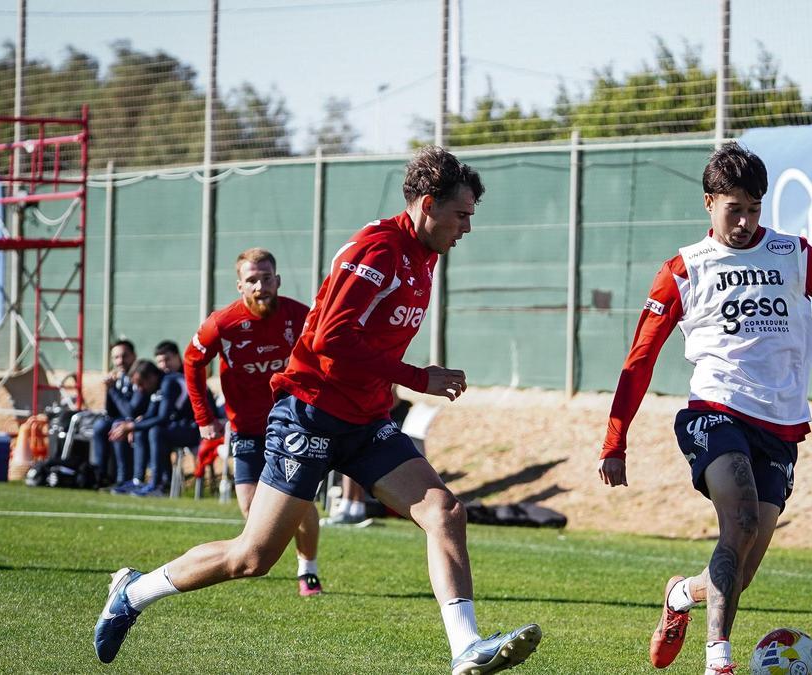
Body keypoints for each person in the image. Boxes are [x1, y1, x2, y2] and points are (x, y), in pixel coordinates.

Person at [95, 146, 542, 674]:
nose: (467, 227)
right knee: (253, 558)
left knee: (444, 512)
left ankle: (464, 648)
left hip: (365, 419)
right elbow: (331, 339)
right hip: (310, 413)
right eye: (462, 214)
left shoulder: (424, 254)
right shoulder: (377, 251)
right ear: (428, 204)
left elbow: (365, 341)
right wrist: (420, 377)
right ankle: (132, 592)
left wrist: (398, 382)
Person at [597, 143, 812, 675]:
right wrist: (616, 441)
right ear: (709, 202)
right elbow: (640, 359)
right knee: (741, 518)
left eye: (755, 208)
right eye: (735, 209)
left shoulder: (792, 254)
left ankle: (681, 594)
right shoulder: (684, 269)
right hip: (714, 411)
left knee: (740, 568)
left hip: (780, 427)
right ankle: (718, 661)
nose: (747, 221)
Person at [182, 247, 323, 596]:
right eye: (252, 280)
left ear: (278, 280)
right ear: (240, 286)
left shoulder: (300, 316)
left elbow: (325, 355)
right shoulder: (223, 324)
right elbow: (192, 362)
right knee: (250, 507)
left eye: (266, 278)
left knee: (300, 503)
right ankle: (268, 551)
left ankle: (308, 569)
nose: (261, 286)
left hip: (294, 425)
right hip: (246, 427)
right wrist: (204, 418)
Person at [109, 359, 201, 497]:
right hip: (179, 426)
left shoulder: (169, 382)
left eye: (141, 384)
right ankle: (138, 480)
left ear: (152, 376)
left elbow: (163, 417)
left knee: (155, 431)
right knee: (142, 431)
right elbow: (151, 415)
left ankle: (158, 485)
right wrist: (133, 426)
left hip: (197, 429)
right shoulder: (158, 386)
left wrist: (132, 426)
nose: (140, 389)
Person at [325, 385, 412, 526]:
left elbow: (392, 397)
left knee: (354, 457)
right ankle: (349, 507)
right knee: (350, 457)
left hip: (373, 422)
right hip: (363, 418)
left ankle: (354, 508)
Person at [92, 340, 150, 491]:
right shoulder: (120, 377)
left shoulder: (140, 376)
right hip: (122, 418)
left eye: (124, 356)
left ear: (134, 356)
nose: (120, 361)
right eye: (116, 357)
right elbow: (111, 412)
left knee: (118, 427)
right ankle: (100, 475)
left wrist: (113, 390)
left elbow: (131, 411)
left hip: (141, 420)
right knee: (99, 426)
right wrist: (109, 390)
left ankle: (123, 479)